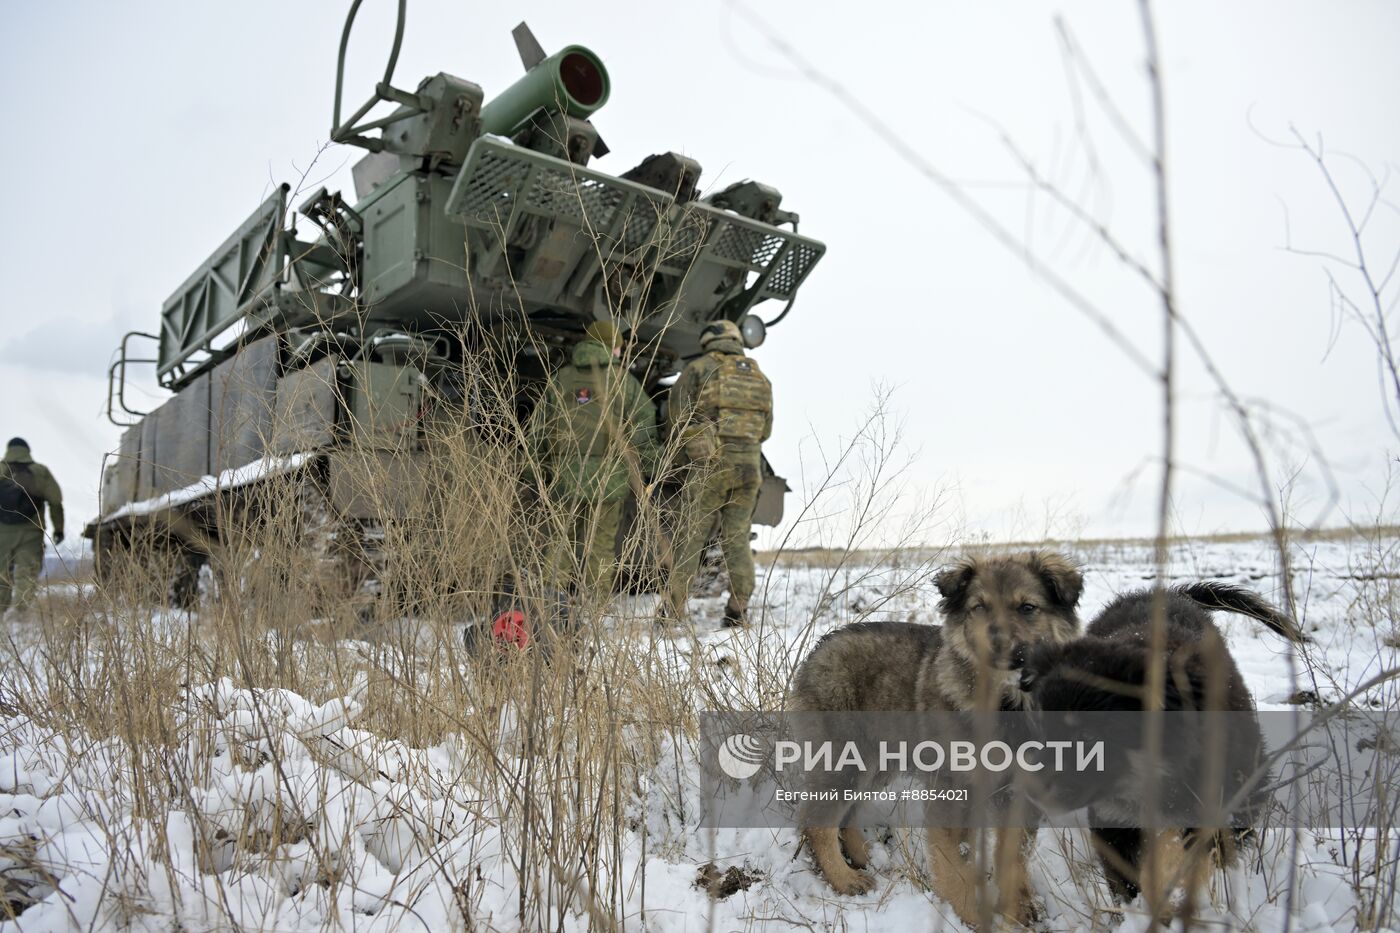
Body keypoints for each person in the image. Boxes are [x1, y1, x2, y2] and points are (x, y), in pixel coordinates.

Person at [526, 321, 659, 599]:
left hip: (566, 480)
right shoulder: (624, 382)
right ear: (612, 347)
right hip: (609, 482)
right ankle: (593, 612)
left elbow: (539, 429)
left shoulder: (561, 379)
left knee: (560, 545)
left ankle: (548, 606)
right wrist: (648, 471)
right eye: (620, 347)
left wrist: (534, 474)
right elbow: (644, 429)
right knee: (601, 550)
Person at [667, 319, 772, 626]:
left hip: (712, 465)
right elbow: (766, 430)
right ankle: (738, 609)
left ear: (707, 342)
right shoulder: (760, 377)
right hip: (750, 467)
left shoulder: (699, 369)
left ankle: (672, 609)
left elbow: (677, 416)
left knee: (692, 536)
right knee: (737, 538)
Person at [0, 438, 64, 617]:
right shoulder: (40, 471)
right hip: (31, 532)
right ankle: (18, 613)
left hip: (1, 533)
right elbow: (56, 501)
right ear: (27, 450)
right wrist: (59, 529)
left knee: (1, 573)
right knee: (26, 573)